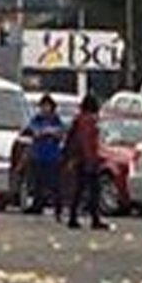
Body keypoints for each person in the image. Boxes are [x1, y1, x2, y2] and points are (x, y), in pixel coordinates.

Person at [63, 95, 108, 230]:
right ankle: (94, 219)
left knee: (79, 189)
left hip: (78, 158)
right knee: (94, 190)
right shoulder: (88, 121)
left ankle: (73, 217)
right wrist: (92, 161)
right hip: (86, 160)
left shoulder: (79, 119)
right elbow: (87, 142)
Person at [24, 94, 65, 215]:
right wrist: (46, 132)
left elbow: (60, 133)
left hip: (52, 157)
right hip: (39, 156)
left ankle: (58, 206)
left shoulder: (56, 119)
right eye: (43, 106)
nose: (45, 109)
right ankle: (37, 205)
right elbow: (34, 132)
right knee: (38, 183)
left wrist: (49, 132)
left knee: (54, 184)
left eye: (47, 106)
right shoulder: (37, 119)